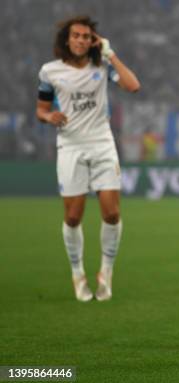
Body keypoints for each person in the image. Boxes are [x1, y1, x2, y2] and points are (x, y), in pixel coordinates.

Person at [36, 16, 140, 302]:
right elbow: (41, 109)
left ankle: (106, 272)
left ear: (93, 40)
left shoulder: (102, 66)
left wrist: (110, 53)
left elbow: (133, 86)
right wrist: (49, 116)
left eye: (86, 36)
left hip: (102, 144)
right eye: (77, 35)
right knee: (72, 217)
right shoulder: (50, 72)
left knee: (112, 213)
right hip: (70, 147)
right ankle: (77, 273)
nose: (81, 40)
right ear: (67, 39)